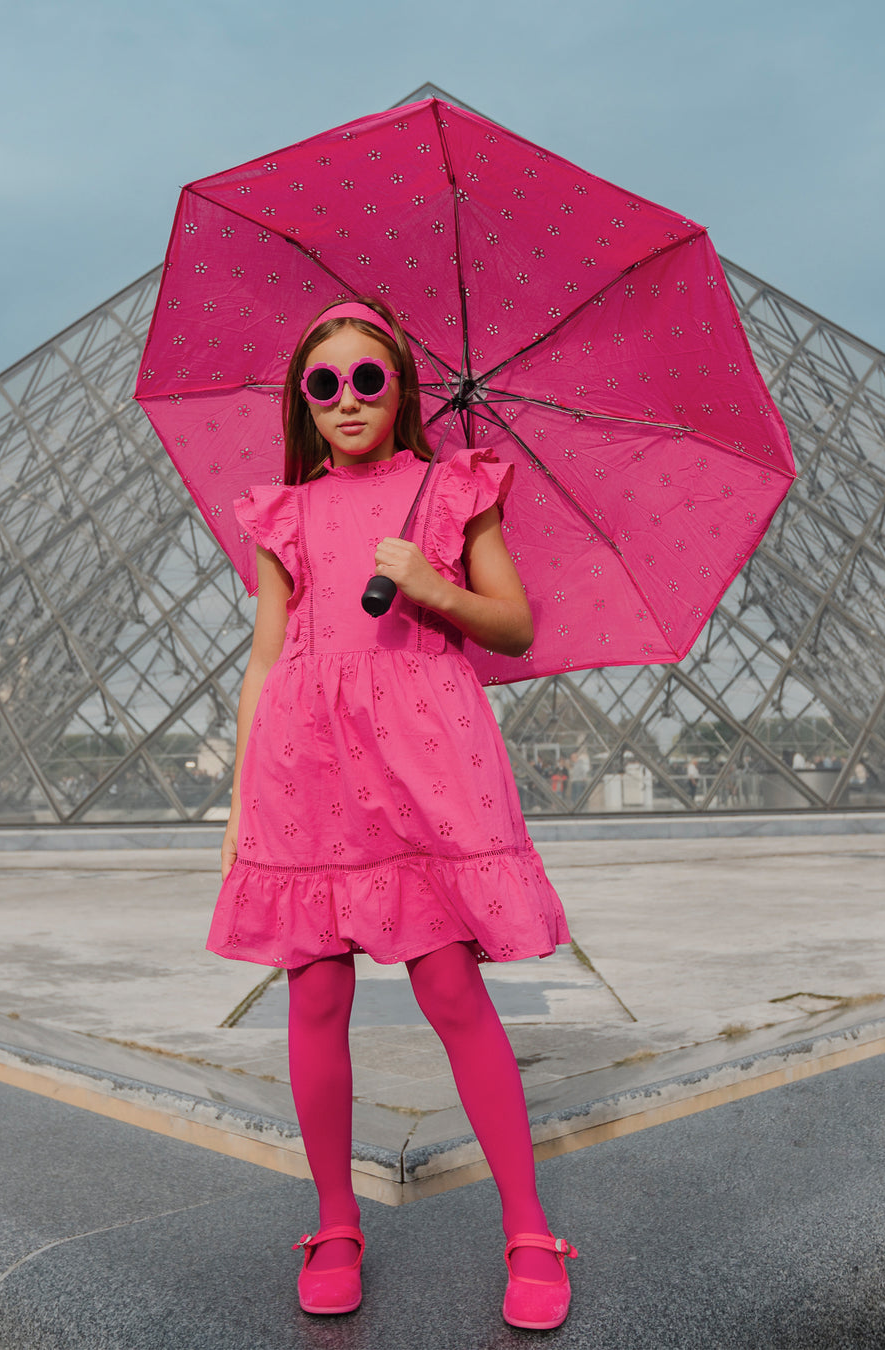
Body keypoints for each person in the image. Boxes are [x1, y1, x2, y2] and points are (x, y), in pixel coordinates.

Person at [210, 298, 576, 1330]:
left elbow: (512, 625)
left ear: (402, 386)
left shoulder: (454, 490)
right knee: (313, 993)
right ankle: (334, 1220)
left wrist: (434, 586)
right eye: (323, 386)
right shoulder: (283, 513)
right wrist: (237, 804)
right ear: (305, 404)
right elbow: (263, 663)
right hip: (303, 765)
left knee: (453, 989)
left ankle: (529, 1227)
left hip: (424, 760)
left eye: (367, 378)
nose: (347, 401)